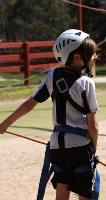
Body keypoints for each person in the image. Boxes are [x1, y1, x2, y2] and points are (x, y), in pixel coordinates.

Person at [0, 29, 99, 200]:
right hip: (81, 147)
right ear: (76, 57)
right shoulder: (87, 83)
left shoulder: (52, 75)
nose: (95, 57)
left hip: (57, 146)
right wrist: (94, 148)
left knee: (62, 186)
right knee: (84, 191)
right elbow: (93, 125)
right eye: (91, 54)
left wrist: (4, 124)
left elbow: (30, 103)